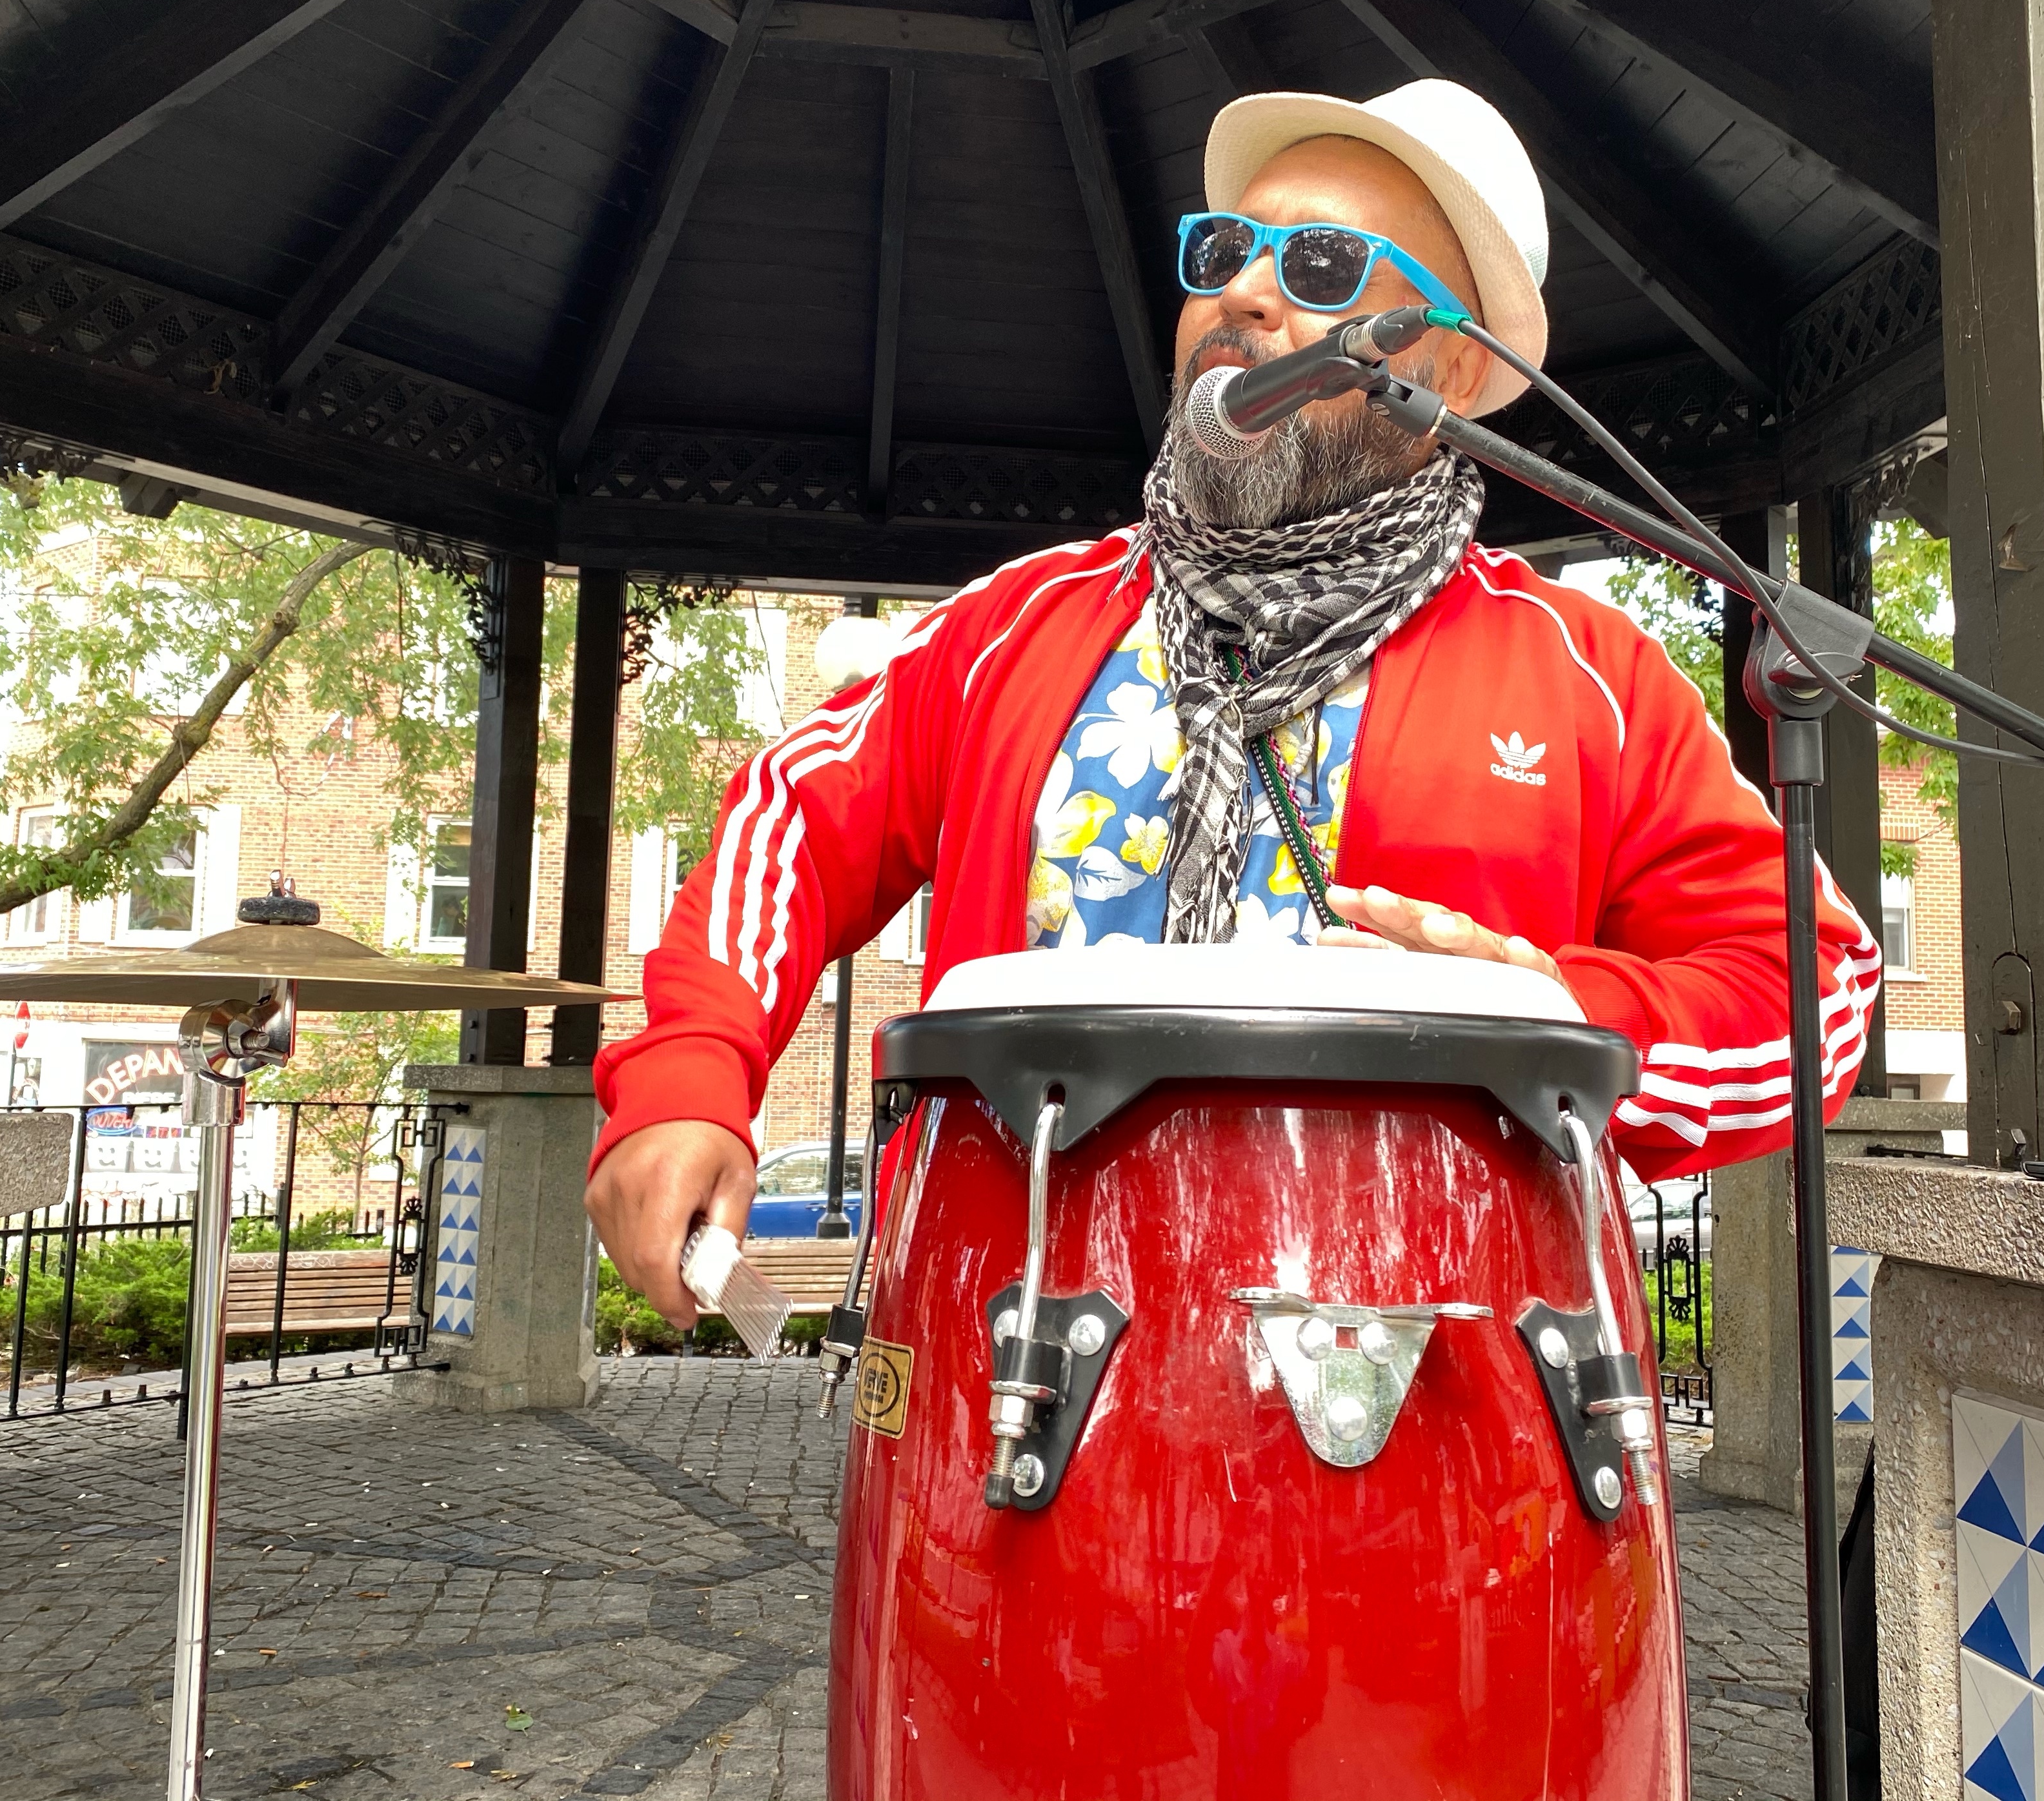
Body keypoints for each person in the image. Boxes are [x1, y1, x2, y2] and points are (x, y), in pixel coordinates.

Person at [587, 79, 1880, 1323]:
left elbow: (1817, 991)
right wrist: (691, 1072)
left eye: (1322, 266)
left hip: (1426, 1412)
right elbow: (790, 818)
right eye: (1221, 252)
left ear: (1454, 372)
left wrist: (1550, 1021)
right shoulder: (1016, 623)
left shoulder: (1587, 672)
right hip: (1006, 1393)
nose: (1244, 292)